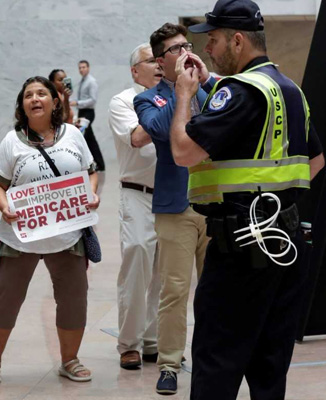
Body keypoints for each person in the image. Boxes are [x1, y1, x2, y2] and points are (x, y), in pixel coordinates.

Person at [169, 0, 325, 398]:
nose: (207, 49)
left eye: (215, 40)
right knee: (268, 367)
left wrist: (185, 93)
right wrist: (271, 198)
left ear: (237, 41)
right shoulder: (289, 91)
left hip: (240, 250)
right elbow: (317, 160)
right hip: (284, 245)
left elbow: (183, 151)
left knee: (216, 363)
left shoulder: (240, 93)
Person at [0, 76, 99, 385]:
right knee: (5, 298)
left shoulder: (73, 134)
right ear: (22, 105)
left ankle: (69, 359)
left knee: (74, 298)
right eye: (28, 95)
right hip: (21, 235)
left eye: (42, 93)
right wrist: (4, 206)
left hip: (68, 234)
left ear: (55, 101)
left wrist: (92, 195)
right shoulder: (12, 140)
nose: (35, 98)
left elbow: (90, 173)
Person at [134, 23, 215, 395]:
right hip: (175, 206)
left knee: (216, 289)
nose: (184, 52)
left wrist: (205, 79)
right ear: (160, 61)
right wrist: (183, 92)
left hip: (216, 203)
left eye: (188, 45)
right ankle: (168, 364)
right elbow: (162, 132)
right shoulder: (150, 99)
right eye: (175, 49)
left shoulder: (215, 88)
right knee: (175, 289)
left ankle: (214, 361)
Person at [108, 43, 163, 370]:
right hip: (137, 193)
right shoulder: (123, 101)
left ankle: (154, 341)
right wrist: (172, 104)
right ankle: (129, 343)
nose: (158, 65)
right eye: (150, 61)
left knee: (165, 273)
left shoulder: (174, 97)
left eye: (161, 60)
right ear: (134, 70)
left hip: (172, 194)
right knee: (137, 263)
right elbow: (139, 137)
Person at [70, 60, 105, 173]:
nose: (81, 69)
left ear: (88, 68)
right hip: (82, 112)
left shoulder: (91, 82)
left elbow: (92, 100)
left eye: (84, 67)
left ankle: (93, 164)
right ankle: (98, 164)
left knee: (85, 138)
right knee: (89, 138)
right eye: (80, 67)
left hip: (88, 112)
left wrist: (78, 103)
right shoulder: (83, 81)